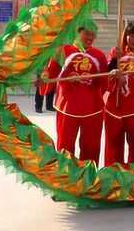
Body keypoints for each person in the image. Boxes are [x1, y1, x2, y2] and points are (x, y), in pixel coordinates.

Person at [39, 25, 107, 164]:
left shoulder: (99, 55)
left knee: (91, 148)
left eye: (93, 34)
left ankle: (88, 178)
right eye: (86, 34)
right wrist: (43, 80)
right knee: (65, 148)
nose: (90, 38)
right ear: (77, 32)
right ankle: (67, 180)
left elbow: (104, 83)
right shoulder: (63, 50)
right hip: (67, 108)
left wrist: (112, 75)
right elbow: (50, 74)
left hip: (92, 109)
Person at [104, 22, 134, 167]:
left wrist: (129, 80)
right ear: (126, 37)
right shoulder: (116, 52)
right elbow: (106, 76)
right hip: (115, 109)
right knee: (113, 148)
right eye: (132, 36)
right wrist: (113, 65)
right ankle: (113, 178)